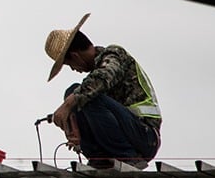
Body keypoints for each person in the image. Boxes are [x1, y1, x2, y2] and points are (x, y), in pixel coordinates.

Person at [45, 13, 161, 169]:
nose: (74, 69)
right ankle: (99, 157)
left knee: (82, 95)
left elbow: (103, 78)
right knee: (74, 93)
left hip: (145, 136)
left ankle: (126, 156)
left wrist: (67, 106)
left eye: (70, 65)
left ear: (76, 56)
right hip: (129, 132)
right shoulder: (92, 78)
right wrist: (76, 127)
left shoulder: (114, 54)